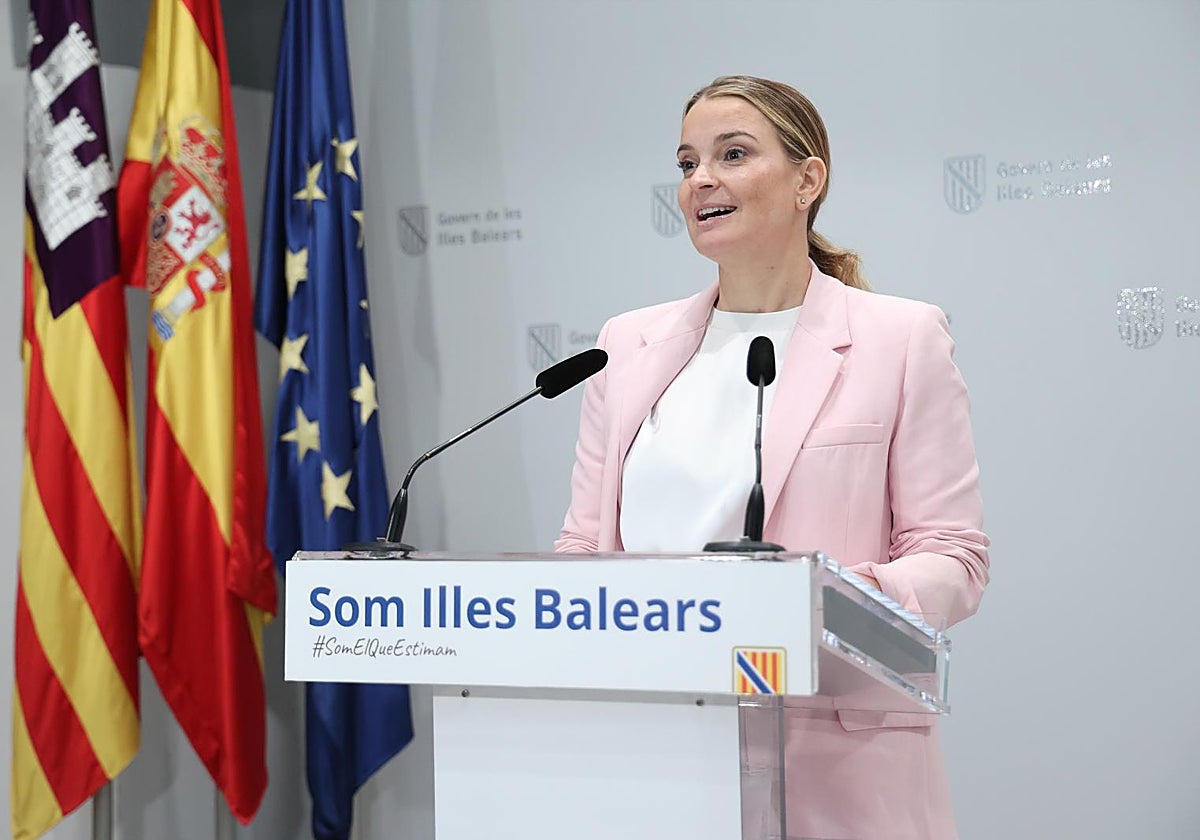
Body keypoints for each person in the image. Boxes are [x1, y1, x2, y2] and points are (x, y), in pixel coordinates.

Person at [555, 75, 989, 839]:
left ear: (807, 180)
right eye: (688, 163)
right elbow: (584, 549)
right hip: (652, 752)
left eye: (733, 154)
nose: (701, 181)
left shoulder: (900, 338)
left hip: (835, 769)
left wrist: (818, 608)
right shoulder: (626, 345)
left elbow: (951, 556)